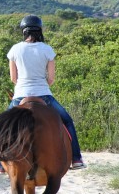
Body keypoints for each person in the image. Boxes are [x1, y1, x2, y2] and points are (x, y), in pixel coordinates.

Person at [6, 15, 86, 170]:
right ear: (39, 30)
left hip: (20, 95)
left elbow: (13, 78)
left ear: (24, 31)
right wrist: (41, 85)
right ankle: (76, 159)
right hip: (44, 95)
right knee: (67, 121)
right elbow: (51, 79)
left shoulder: (15, 49)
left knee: (3, 125)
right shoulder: (47, 49)